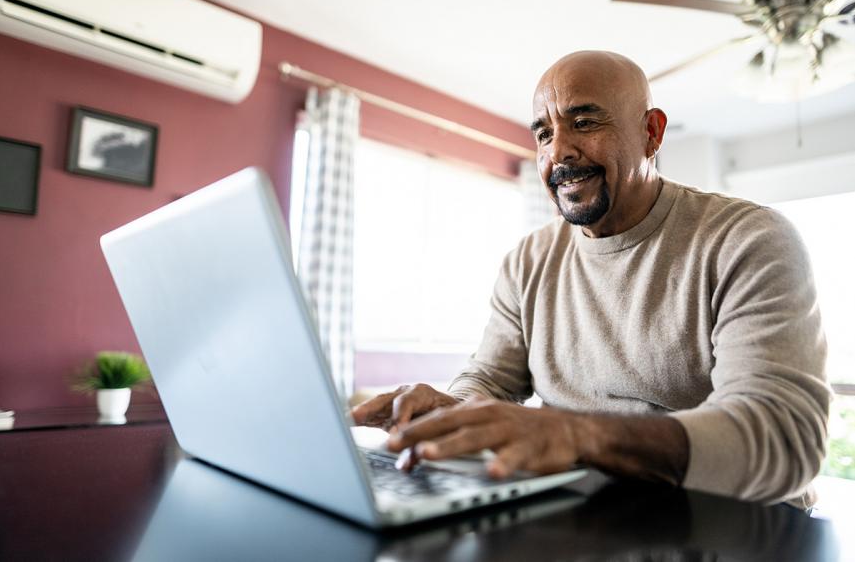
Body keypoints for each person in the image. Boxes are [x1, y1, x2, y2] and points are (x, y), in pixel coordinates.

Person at [351, 51, 829, 507]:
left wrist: (577, 433)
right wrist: (452, 411)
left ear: (651, 133)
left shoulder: (747, 239)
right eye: (542, 134)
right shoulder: (528, 260)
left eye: (584, 123)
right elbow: (492, 377)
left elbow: (784, 439)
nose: (558, 151)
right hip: (592, 510)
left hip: (742, 525)